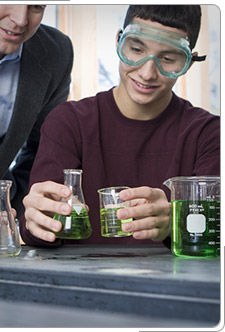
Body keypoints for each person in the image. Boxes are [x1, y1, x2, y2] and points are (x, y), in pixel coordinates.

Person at [20, 5, 220, 248]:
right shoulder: (68, 122)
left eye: (168, 59)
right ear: (118, 42)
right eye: (136, 49)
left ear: (187, 63)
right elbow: (38, 230)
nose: (147, 73)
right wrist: (34, 221)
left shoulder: (209, 134)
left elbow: (215, 238)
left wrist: (175, 224)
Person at [0, 4, 73, 217]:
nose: (20, 20)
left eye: (36, 6)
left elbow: (41, 149)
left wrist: (13, 205)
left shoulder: (55, 53)